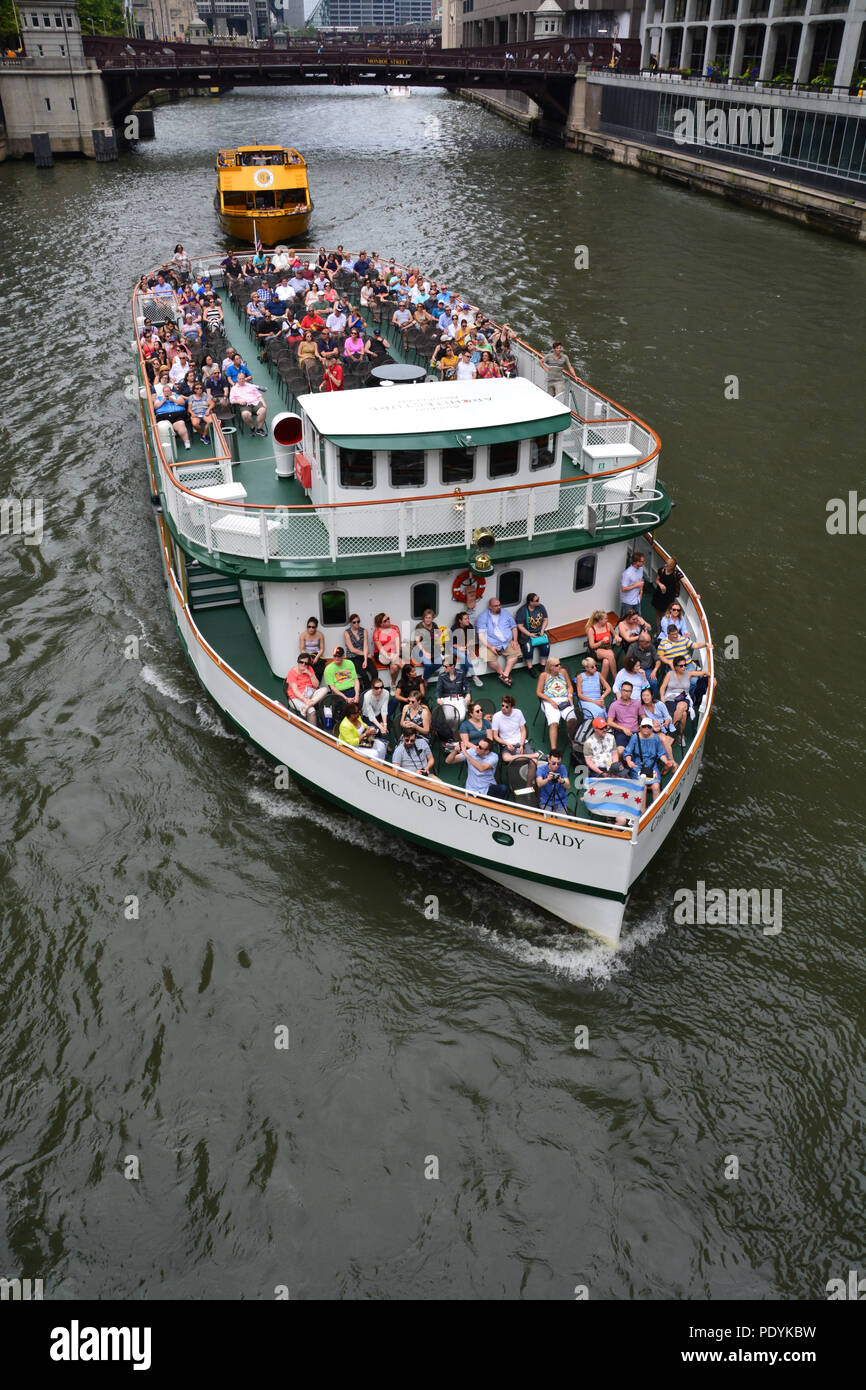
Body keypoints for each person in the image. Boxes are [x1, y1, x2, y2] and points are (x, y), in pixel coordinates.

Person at [624, 719, 674, 803]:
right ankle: (642, 811)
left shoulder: (655, 738)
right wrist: (629, 761)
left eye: (649, 727)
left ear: (651, 728)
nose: (646, 728)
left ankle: (656, 807)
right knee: (643, 787)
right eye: (644, 726)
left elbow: (661, 753)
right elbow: (628, 752)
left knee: (656, 786)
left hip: (652, 766)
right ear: (640, 727)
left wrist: (666, 761)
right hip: (638, 766)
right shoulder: (634, 738)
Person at [536, 656, 577, 753]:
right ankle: (553, 750)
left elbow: (570, 686)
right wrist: (551, 701)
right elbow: (539, 692)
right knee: (554, 724)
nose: (560, 666)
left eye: (560, 664)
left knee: (572, 720)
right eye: (557, 665)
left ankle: (572, 740)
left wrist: (570, 696)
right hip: (549, 701)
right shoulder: (544, 675)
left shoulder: (563, 672)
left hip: (565, 699)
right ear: (550, 667)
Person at [476, 597, 519, 685]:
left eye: (499, 605)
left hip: (506, 641)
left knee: (515, 654)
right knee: (489, 658)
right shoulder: (482, 617)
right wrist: (490, 647)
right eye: (496, 606)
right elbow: (481, 635)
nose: (499, 607)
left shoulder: (505, 613)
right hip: (491, 643)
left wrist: (515, 641)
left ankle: (505, 675)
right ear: (490, 607)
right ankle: (501, 673)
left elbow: (514, 627)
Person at [284, 654, 328, 724]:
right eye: (301, 662)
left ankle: (306, 707)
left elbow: (316, 685)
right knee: (312, 711)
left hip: (309, 694)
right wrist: (305, 700)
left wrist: (310, 674)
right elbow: (295, 691)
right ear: (298, 661)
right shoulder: (292, 673)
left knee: (325, 689)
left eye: (306, 663)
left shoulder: (309, 669)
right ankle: (312, 732)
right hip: (296, 698)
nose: (303, 664)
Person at [491, 694, 534, 765]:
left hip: (521, 743)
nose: (503, 708)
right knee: (506, 758)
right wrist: (506, 743)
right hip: (507, 745)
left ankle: (524, 759)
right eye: (502, 705)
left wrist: (521, 745)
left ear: (512, 707)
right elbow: (495, 736)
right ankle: (533, 755)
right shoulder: (496, 717)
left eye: (507, 707)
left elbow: (523, 730)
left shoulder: (518, 712)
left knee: (534, 762)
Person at [659, 657, 692, 742]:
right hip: (671, 698)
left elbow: (705, 673)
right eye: (681, 666)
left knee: (681, 707)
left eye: (685, 665)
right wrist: (662, 697)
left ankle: (670, 730)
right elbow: (663, 687)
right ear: (675, 666)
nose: (684, 667)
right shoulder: (670, 674)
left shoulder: (688, 673)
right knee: (683, 715)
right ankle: (681, 735)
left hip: (683, 698)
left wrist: (712, 678)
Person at [514, 592, 550, 669]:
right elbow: (519, 626)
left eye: (538, 599)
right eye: (536, 600)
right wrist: (529, 634)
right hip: (526, 634)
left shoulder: (541, 607)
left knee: (546, 646)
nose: (538, 601)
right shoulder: (522, 611)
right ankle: (530, 667)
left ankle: (542, 665)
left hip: (539, 632)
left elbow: (545, 620)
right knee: (528, 648)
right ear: (530, 602)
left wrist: (542, 630)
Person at [639, 686, 676, 760]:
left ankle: (668, 764)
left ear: (652, 696)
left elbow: (667, 716)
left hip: (667, 728)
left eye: (647, 695)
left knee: (665, 744)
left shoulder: (659, 704)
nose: (645, 698)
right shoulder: (641, 708)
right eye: (643, 696)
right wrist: (654, 724)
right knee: (664, 740)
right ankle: (672, 762)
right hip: (655, 729)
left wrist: (667, 721)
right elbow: (646, 721)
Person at [229, 371, 268, 436]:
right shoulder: (234, 389)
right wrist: (239, 401)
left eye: (243, 378)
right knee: (245, 415)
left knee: (263, 410)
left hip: (255, 402)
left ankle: (259, 429)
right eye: (240, 379)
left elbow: (259, 395)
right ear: (237, 379)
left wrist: (264, 403)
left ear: (245, 379)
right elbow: (231, 400)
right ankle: (252, 427)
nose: (241, 380)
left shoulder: (251, 386)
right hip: (245, 405)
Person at [451, 611, 483, 688]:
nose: (468, 620)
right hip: (452, 647)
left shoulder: (470, 626)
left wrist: (466, 647)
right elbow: (452, 643)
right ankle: (474, 676)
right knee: (463, 656)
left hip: (463, 646)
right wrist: (460, 648)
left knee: (465, 657)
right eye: (465, 619)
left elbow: (471, 639)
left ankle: (461, 680)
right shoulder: (454, 628)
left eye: (468, 618)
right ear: (460, 621)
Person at [323, 646, 359, 713]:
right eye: (335, 656)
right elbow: (333, 688)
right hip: (339, 693)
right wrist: (346, 698)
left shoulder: (349, 663)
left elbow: (356, 680)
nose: (336, 658)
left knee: (355, 711)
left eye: (339, 656)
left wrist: (357, 695)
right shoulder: (328, 669)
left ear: (343, 656)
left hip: (352, 690)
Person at [627, 630, 662, 699]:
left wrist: (654, 670)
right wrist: (635, 669)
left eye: (649, 642)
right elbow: (628, 661)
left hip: (648, 670)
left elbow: (658, 660)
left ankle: (654, 700)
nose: (649, 644)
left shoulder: (651, 647)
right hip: (635, 670)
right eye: (647, 643)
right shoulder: (633, 647)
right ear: (640, 642)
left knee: (653, 682)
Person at [586, 609, 619, 683]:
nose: (607, 620)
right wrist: (601, 641)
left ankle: (602, 684)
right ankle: (616, 678)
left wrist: (617, 638)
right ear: (600, 620)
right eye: (606, 618)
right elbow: (592, 646)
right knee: (610, 655)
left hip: (607, 648)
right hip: (596, 650)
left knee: (606, 662)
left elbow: (615, 634)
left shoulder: (609, 625)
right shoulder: (591, 630)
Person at [651, 555, 683, 631]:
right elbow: (657, 580)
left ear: (672, 566)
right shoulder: (661, 570)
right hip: (659, 595)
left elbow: (685, 582)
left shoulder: (676, 574)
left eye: (668, 565)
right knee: (658, 614)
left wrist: (695, 594)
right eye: (666, 564)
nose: (666, 566)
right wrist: (660, 584)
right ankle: (659, 631)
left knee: (667, 615)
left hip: (669, 598)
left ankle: (665, 632)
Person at [435, 654, 468, 724]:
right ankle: (455, 734)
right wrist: (438, 698)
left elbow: (467, 685)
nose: (444, 668)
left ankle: (458, 733)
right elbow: (438, 689)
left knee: (461, 717)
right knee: (450, 719)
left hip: (459, 699)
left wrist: (468, 694)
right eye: (443, 666)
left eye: (446, 666)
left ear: (452, 666)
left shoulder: (460, 673)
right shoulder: (442, 676)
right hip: (447, 699)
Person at [574, 656, 611, 720]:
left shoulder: (598, 674)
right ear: (586, 668)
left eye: (595, 666)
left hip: (598, 701)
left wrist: (602, 697)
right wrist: (595, 702)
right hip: (586, 701)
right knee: (600, 712)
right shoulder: (580, 677)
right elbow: (579, 695)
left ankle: (601, 727)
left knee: (602, 712)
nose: (595, 668)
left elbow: (608, 688)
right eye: (592, 667)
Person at [607, 682, 641, 747]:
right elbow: (609, 722)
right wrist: (623, 728)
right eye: (624, 690)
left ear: (631, 692)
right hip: (621, 732)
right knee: (620, 751)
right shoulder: (614, 705)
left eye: (628, 691)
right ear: (620, 690)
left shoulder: (637, 703)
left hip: (636, 732)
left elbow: (644, 717)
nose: (626, 693)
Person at [372, 612, 402, 683]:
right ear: (380, 624)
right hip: (381, 654)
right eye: (385, 621)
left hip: (394, 651)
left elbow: (398, 644)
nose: (388, 620)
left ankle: (393, 683)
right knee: (398, 663)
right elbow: (381, 649)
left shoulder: (395, 628)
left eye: (388, 618)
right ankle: (408, 671)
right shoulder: (377, 632)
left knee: (394, 667)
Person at [343, 614, 370, 685]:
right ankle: (367, 691)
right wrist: (365, 654)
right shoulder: (347, 632)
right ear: (350, 623)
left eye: (358, 621)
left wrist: (365, 659)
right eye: (354, 622)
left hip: (363, 655)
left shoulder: (364, 631)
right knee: (364, 674)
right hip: (352, 657)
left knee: (374, 672)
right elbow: (352, 649)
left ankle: (375, 688)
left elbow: (365, 646)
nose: (357, 623)